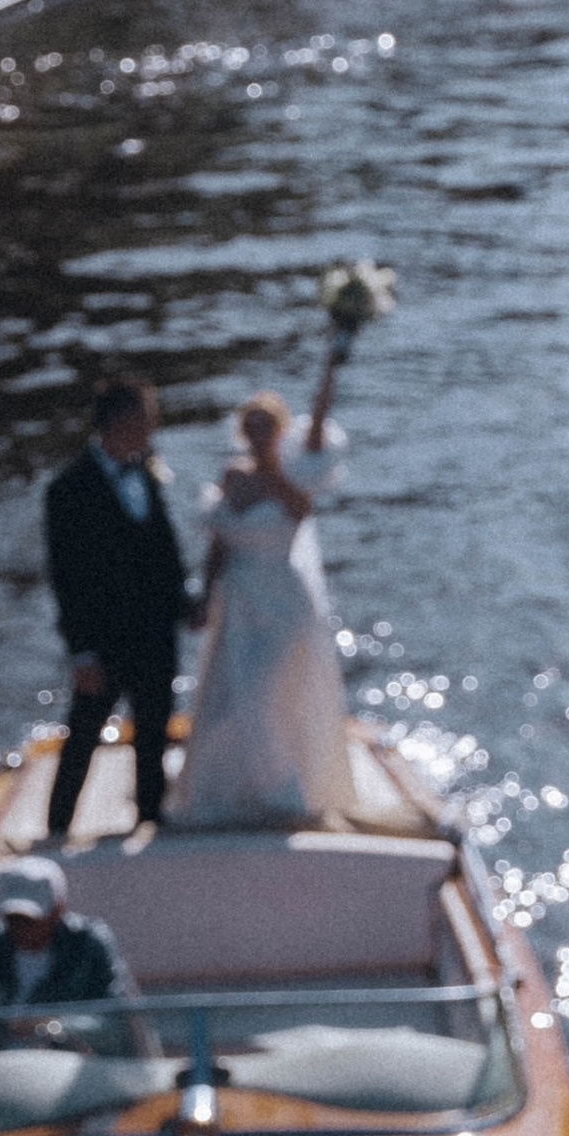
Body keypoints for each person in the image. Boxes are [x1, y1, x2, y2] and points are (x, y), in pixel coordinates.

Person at [172, 349, 354, 827]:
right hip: (238, 602)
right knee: (228, 698)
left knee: (262, 693)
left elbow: (300, 512)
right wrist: (204, 596)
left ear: (278, 429)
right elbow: (220, 543)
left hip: (282, 603)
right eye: (248, 425)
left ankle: (286, 796)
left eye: (264, 425)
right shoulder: (231, 476)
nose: (255, 433)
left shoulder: (291, 477)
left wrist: (333, 358)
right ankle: (227, 793)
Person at [43, 375, 189, 838]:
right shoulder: (68, 488)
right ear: (121, 421)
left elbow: (163, 551)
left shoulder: (145, 469)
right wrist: (80, 651)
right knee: (84, 735)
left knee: (153, 733)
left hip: (154, 633)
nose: (153, 427)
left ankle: (149, 820)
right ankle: (57, 829)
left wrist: (185, 602)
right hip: (103, 641)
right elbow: (65, 579)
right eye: (147, 417)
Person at [0, 862, 138, 1048]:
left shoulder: (88, 946)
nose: (21, 929)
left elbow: (117, 1020)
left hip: (64, 1068)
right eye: (14, 919)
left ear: (58, 910)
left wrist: (52, 1026)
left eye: (30, 919)